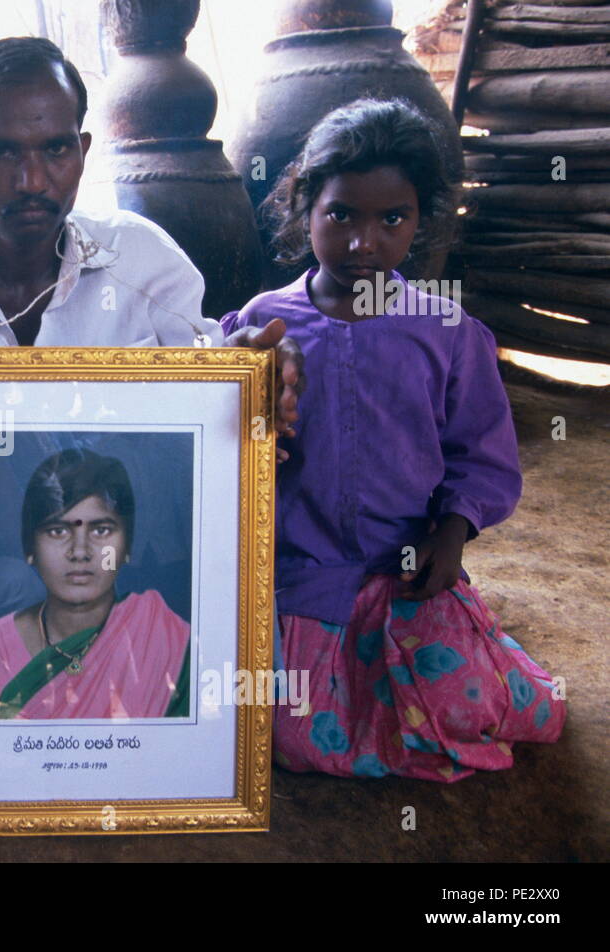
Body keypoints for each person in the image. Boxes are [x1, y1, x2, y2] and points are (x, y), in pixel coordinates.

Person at [221, 99, 565, 781]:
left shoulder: (446, 332)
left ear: (420, 221)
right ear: (303, 206)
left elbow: (482, 454)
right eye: (341, 214)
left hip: (404, 570)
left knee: (469, 705)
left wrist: (452, 532)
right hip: (298, 575)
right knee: (284, 734)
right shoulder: (264, 324)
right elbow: (226, 440)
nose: (363, 242)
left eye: (392, 219)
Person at [0, 36, 305, 498]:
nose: (32, 180)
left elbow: (209, 410)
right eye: (2, 150)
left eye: (55, 149)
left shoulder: (145, 262)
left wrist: (247, 380)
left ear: (83, 151)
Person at [0, 448, 190, 720]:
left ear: (127, 547)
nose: (80, 552)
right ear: (30, 548)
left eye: (100, 530)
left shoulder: (165, 639)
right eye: (58, 531)